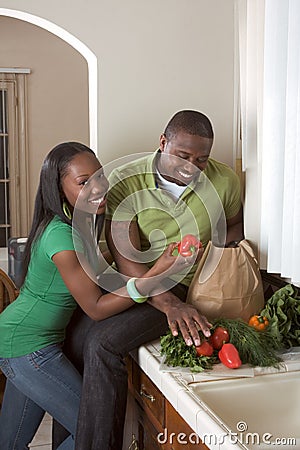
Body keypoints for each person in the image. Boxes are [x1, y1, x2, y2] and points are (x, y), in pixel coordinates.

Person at [52, 110, 244, 449]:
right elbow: (128, 262)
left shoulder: (224, 180)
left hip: (188, 283)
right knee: (76, 339)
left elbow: (237, 225)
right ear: (163, 143)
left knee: (103, 344)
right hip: (141, 279)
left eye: (201, 159)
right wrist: (170, 304)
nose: (192, 167)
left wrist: (210, 249)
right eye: (183, 156)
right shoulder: (126, 180)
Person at [0, 141, 201, 450]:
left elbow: (100, 277)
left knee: (10, 443)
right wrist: (155, 275)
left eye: (100, 176)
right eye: (84, 182)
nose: (98, 187)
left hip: (26, 341)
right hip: (27, 348)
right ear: (59, 187)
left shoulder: (82, 224)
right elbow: (95, 307)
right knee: (94, 431)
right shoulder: (61, 237)